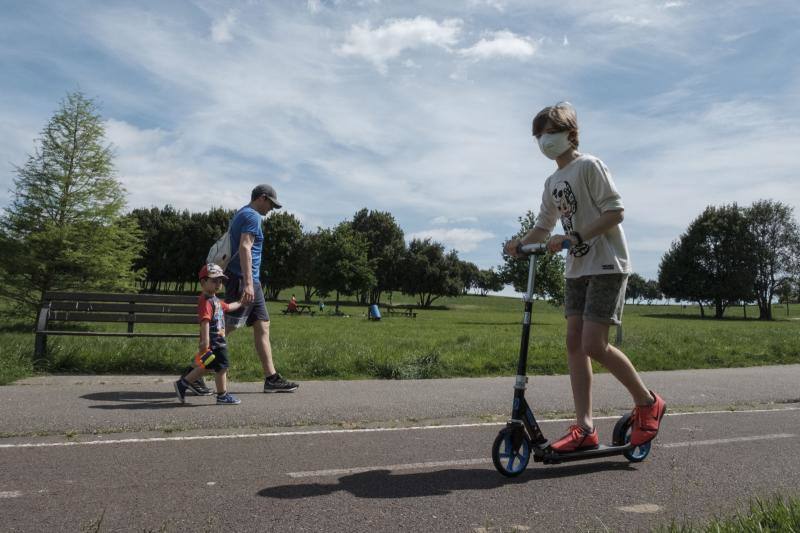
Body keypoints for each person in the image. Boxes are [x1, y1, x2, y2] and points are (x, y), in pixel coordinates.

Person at [504, 102, 665, 452]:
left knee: (594, 343)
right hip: (577, 269)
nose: (544, 140)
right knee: (574, 344)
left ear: (569, 134)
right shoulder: (551, 182)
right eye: (538, 136)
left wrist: (576, 237)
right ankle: (585, 428)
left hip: (607, 264)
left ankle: (647, 401)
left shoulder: (589, 166)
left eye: (549, 133)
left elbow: (615, 211)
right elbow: (544, 227)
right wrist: (519, 244)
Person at [224, 184, 299, 392]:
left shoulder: (242, 213)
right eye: (271, 204)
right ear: (262, 198)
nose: (271, 210)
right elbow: (245, 246)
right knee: (224, 328)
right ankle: (192, 373)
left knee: (262, 325)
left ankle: (271, 378)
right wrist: (248, 283)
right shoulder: (252, 216)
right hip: (243, 280)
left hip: (249, 280)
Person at [174, 263, 243, 405]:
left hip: (217, 340)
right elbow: (204, 322)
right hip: (214, 341)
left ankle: (183, 384)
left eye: (220, 281)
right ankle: (222, 395)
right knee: (222, 367)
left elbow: (229, 307)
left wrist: (241, 302)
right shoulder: (206, 302)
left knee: (207, 367)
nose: (218, 284)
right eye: (214, 280)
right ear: (203, 282)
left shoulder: (215, 300)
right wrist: (204, 344)